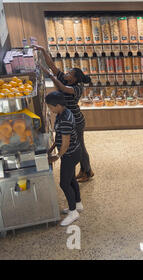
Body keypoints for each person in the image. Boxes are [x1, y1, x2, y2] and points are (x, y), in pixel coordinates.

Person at [33, 45, 94, 182]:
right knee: (76, 145)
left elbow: (63, 88)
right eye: (67, 72)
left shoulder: (76, 88)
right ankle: (84, 169)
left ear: (74, 79)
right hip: (69, 118)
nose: (66, 74)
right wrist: (43, 51)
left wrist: (49, 75)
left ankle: (87, 170)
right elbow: (52, 65)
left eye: (69, 74)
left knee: (80, 145)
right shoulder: (65, 79)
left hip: (77, 121)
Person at [45, 91, 83, 226]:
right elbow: (60, 136)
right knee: (71, 179)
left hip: (70, 154)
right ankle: (78, 204)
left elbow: (65, 143)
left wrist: (57, 156)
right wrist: (51, 148)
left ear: (58, 105)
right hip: (72, 152)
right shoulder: (62, 113)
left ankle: (73, 213)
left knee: (64, 183)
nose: (50, 109)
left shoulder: (66, 119)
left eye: (50, 107)